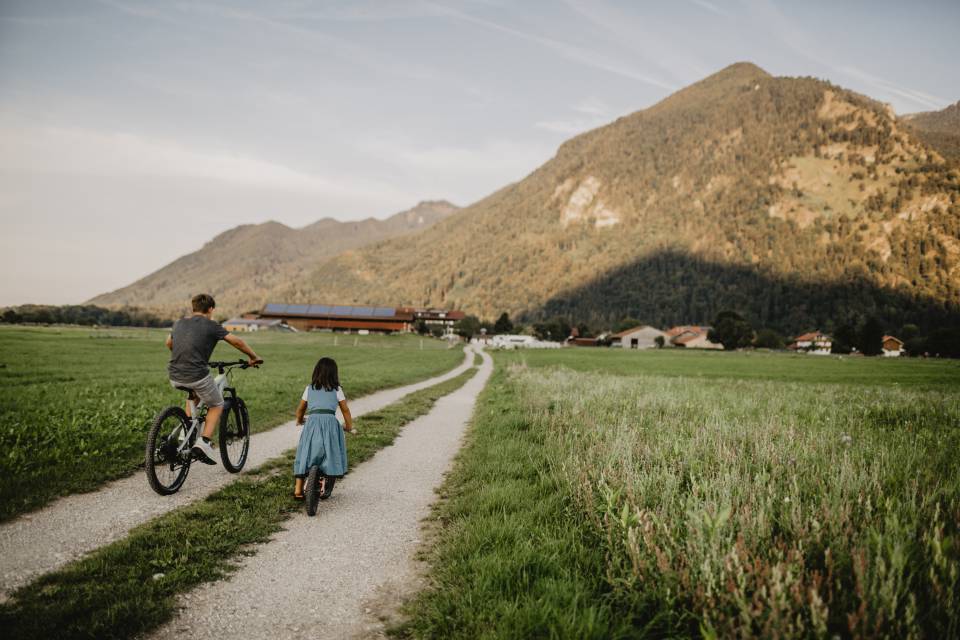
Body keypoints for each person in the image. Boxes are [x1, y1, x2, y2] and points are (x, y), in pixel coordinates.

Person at [166, 293, 262, 465]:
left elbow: (169, 343)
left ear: (193, 308)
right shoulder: (211, 325)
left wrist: (184, 356)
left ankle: (184, 434)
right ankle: (203, 442)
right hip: (196, 375)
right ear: (211, 309)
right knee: (217, 404)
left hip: (174, 374)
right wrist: (253, 357)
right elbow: (237, 341)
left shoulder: (179, 323)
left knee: (194, 395)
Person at [293, 356, 354, 500]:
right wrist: (349, 426)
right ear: (334, 374)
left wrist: (300, 420)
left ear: (316, 372)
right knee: (331, 450)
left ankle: (297, 490)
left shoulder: (309, 389)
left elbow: (300, 409)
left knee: (304, 452)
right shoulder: (337, 389)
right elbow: (345, 410)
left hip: (312, 422)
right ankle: (327, 477)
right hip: (330, 423)